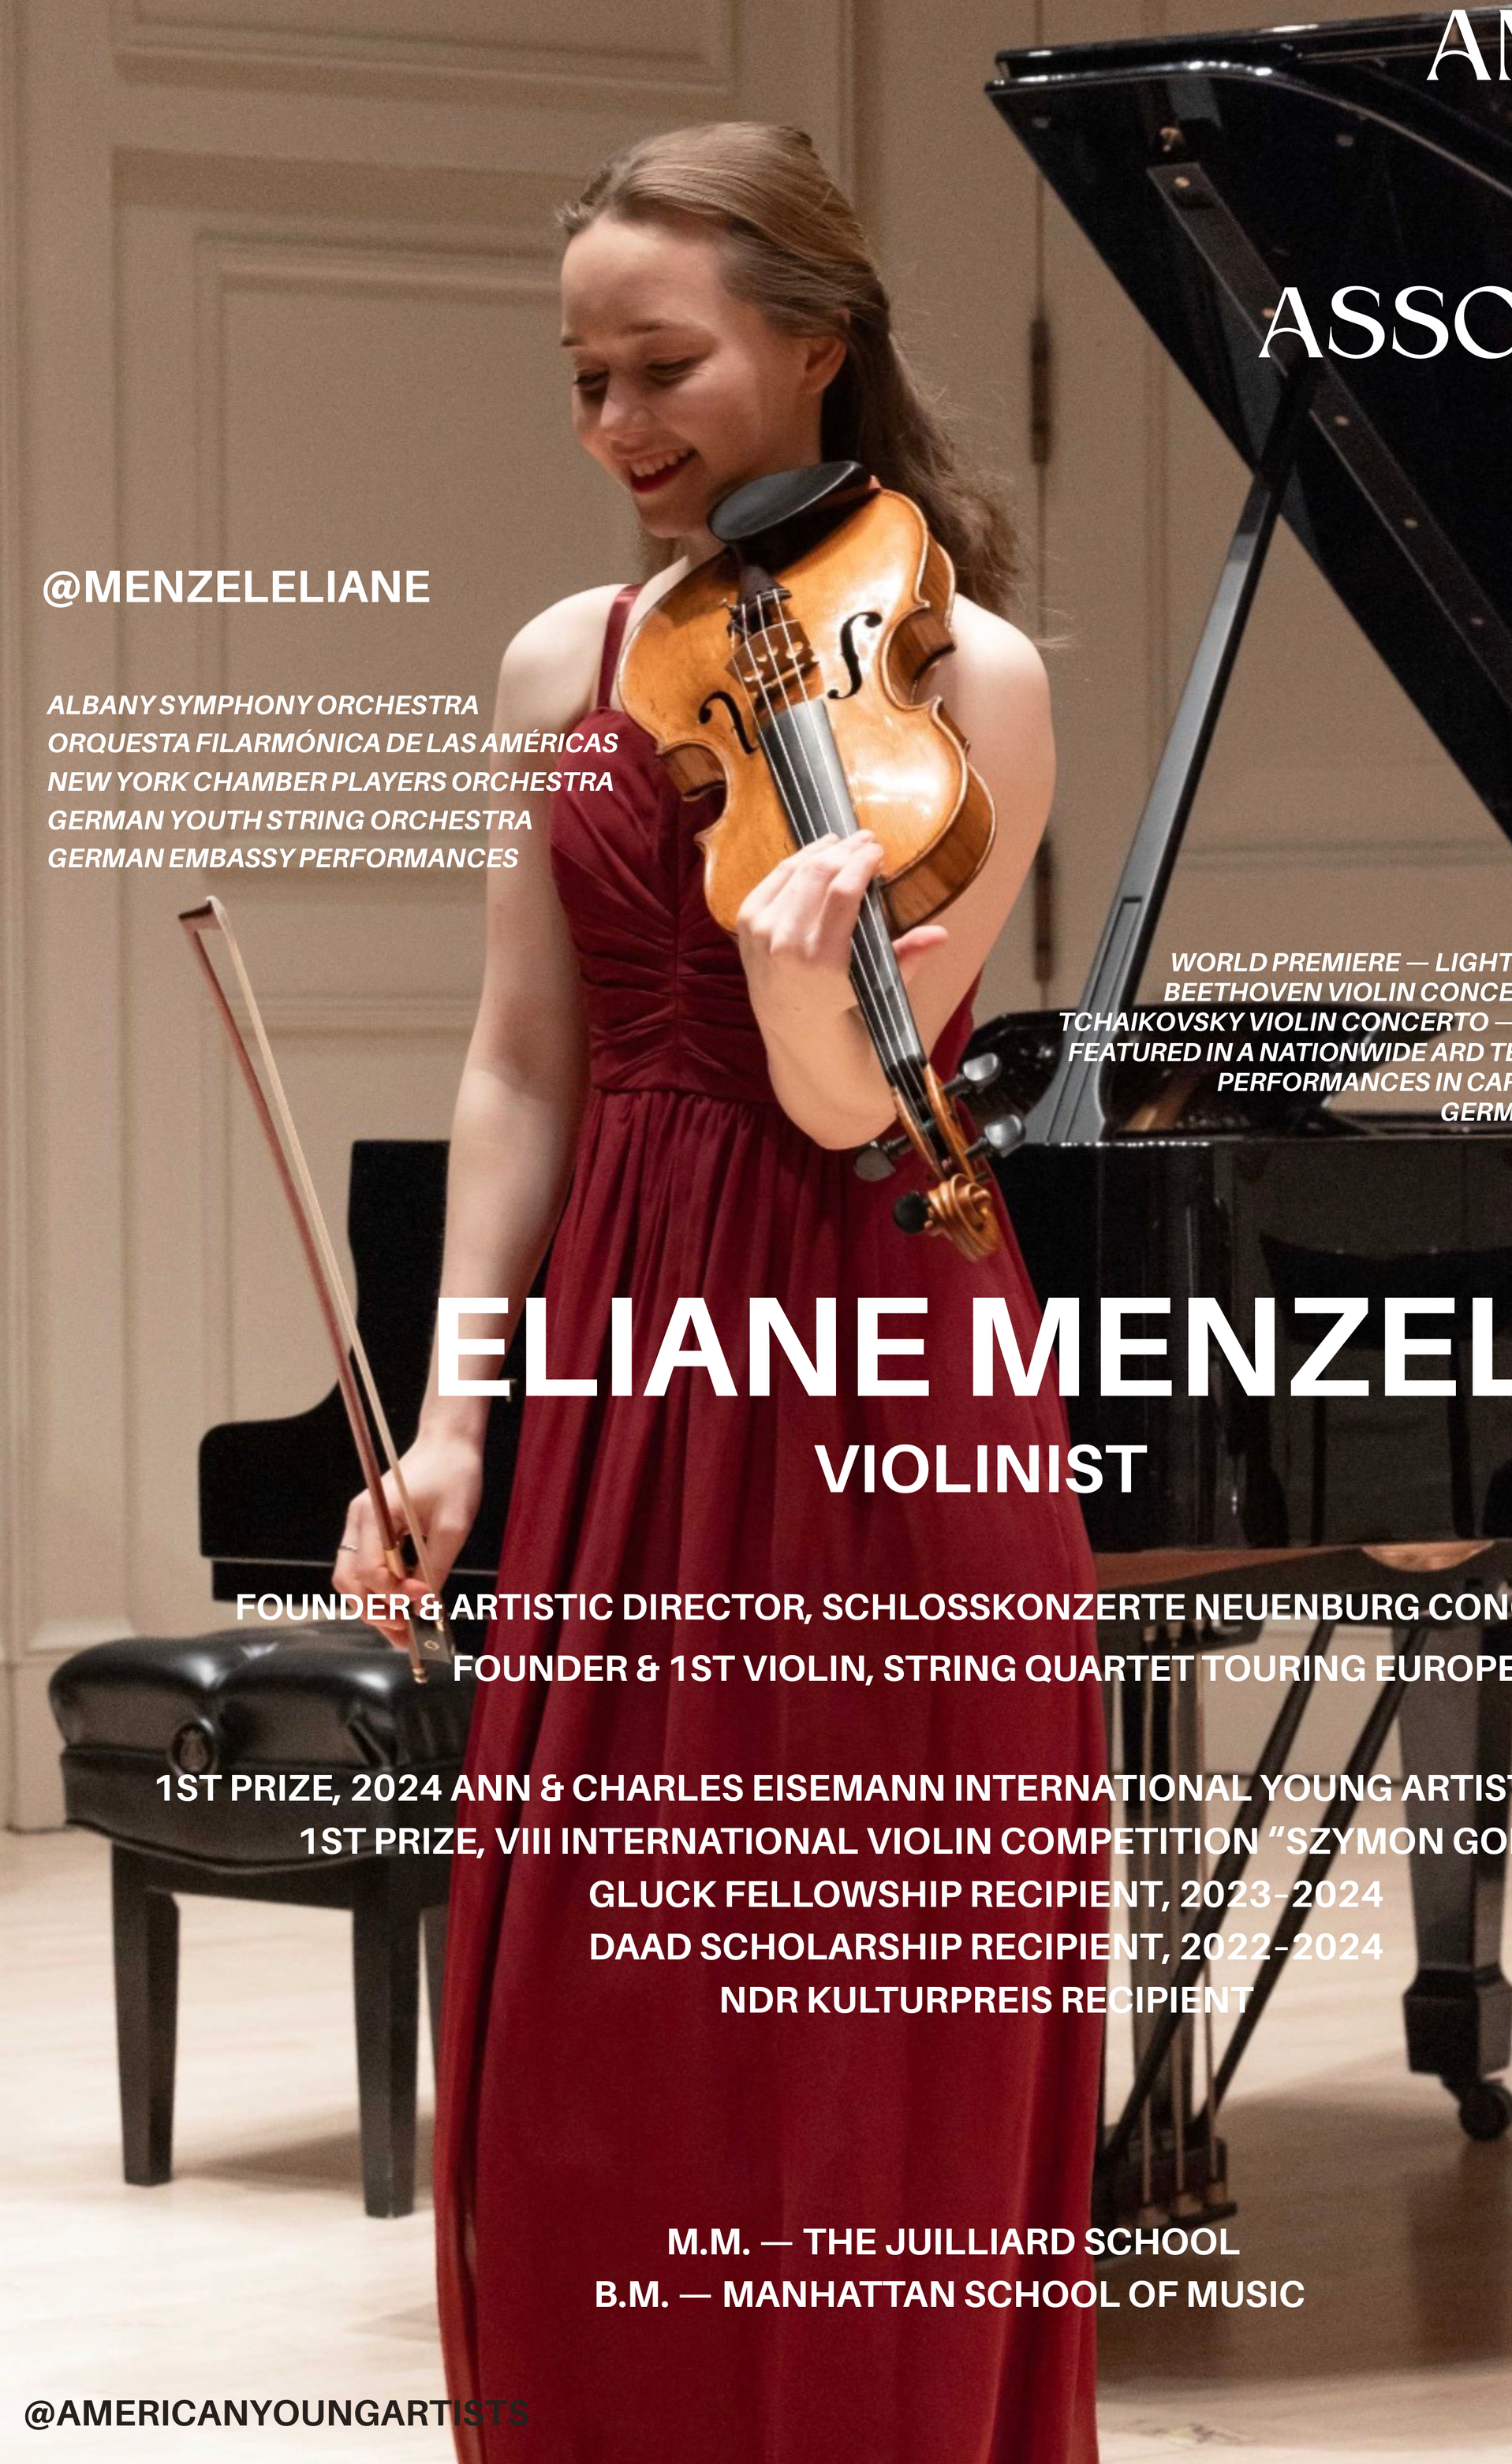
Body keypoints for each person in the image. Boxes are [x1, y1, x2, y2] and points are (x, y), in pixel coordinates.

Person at [334, 122, 1105, 2464]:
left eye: (661, 367)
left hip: (864, 1357)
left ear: (814, 343)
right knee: (588, 2018)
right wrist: (456, 1412)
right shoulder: (564, 656)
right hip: (620, 1371)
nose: (618, 430)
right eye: (583, 378)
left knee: (856, 2047)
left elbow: (863, 1114)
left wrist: (806, 992)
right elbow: (515, 1054)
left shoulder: (973, 670)